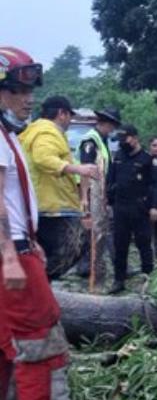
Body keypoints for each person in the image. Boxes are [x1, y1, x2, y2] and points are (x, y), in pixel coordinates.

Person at [0, 46, 90, 400]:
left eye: (30, 91)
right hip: (9, 253)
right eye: (17, 91)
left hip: (17, 246)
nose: (27, 99)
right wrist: (11, 254)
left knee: (7, 336)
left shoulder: (10, 136)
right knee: (39, 327)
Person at [19, 95, 101, 278]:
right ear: (62, 114)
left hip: (49, 203)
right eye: (70, 116)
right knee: (76, 244)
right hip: (51, 205)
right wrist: (77, 168)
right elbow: (43, 158)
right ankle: (37, 284)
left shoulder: (38, 130)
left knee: (48, 253)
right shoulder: (47, 132)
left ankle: (38, 287)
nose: (71, 121)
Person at [107, 124, 157, 294]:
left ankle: (148, 278)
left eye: (125, 138)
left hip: (140, 207)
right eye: (120, 138)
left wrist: (154, 207)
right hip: (120, 207)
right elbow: (111, 180)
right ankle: (118, 280)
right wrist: (108, 200)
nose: (122, 141)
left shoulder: (146, 159)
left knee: (144, 243)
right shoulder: (118, 156)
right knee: (120, 245)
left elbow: (154, 186)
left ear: (135, 138)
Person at [75, 107, 121, 281]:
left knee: (104, 228)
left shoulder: (102, 140)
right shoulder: (90, 141)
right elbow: (86, 170)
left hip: (101, 190)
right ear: (105, 124)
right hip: (91, 191)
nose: (113, 130)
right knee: (94, 230)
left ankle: (107, 263)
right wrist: (84, 198)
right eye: (112, 126)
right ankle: (87, 265)